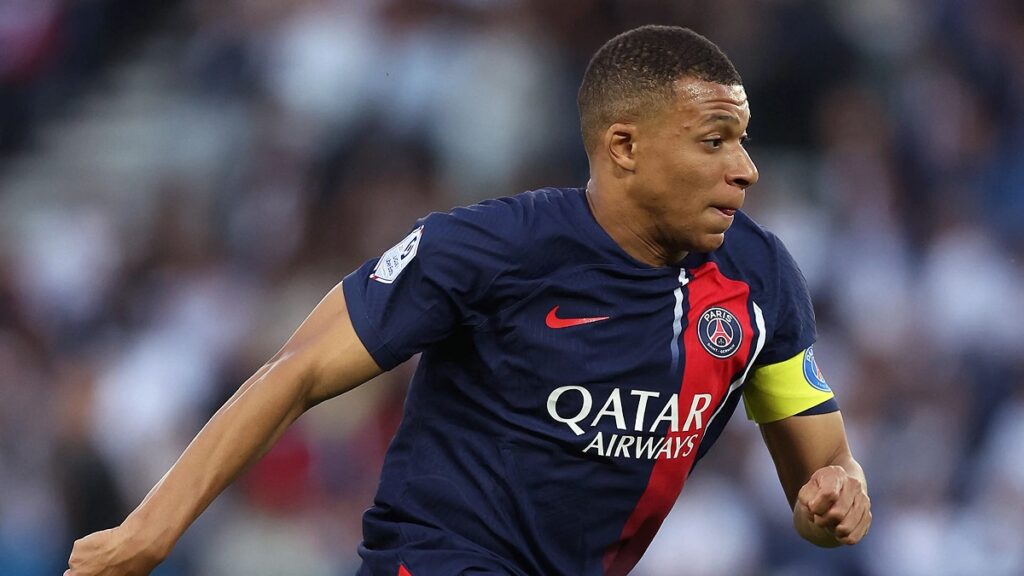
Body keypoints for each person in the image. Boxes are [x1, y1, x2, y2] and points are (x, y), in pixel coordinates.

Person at [66, 25, 871, 576]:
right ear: (624, 146)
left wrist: (838, 500)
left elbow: (822, 479)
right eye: (714, 140)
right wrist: (148, 533)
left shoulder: (759, 280)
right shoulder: (492, 249)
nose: (746, 168)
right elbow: (297, 370)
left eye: (743, 140)